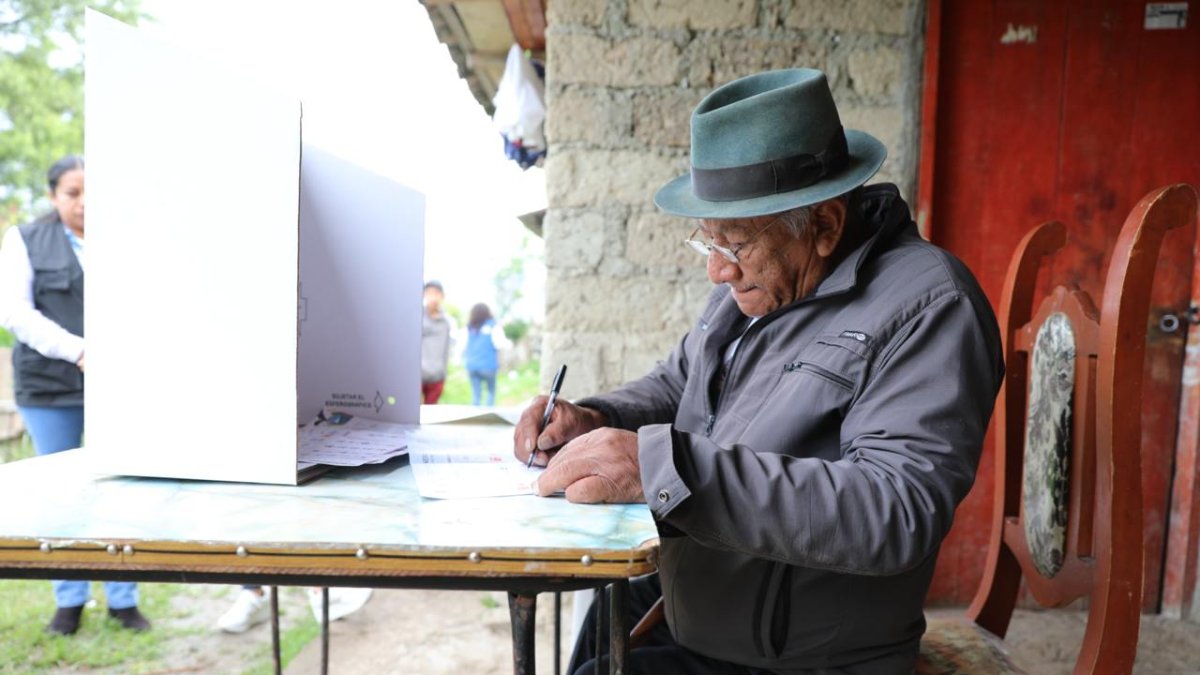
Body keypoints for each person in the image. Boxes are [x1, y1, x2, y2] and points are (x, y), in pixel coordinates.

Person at [513, 69, 1004, 673]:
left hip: (798, 655)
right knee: (594, 629)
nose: (717, 272)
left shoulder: (931, 304)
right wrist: (595, 419)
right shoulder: (759, 283)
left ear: (823, 225)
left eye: (735, 244)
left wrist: (663, 468)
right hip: (698, 590)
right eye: (708, 242)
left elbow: (896, 509)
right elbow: (679, 385)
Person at [0, 156, 151, 635]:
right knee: (62, 497)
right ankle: (70, 600)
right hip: (49, 388)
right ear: (52, 195)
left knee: (120, 491)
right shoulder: (24, 240)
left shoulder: (127, 237)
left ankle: (123, 599)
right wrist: (79, 351)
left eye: (92, 191)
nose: (84, 203)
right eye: (72, 192)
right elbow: (15, 312)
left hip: (119, 388)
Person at [463, 303, 509, 406]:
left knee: (476, 395)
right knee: (491, 392)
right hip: (489, 366)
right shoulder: (493, 326)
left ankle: (475, 418)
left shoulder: (469, 328)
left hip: (472, 366)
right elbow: (500, 346)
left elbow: (463, 348)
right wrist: (502, 364)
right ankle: (488, 418)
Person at [420, 280, 453, 404]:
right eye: (429, 293)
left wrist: (444, 373)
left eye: (436, 293)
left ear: (442, 296)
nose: (433, 297)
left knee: (430, 412)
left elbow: (446, 348)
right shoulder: (416, 317)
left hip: (437, 376)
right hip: (417, 376)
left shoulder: (446, 322)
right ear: (423, 295)